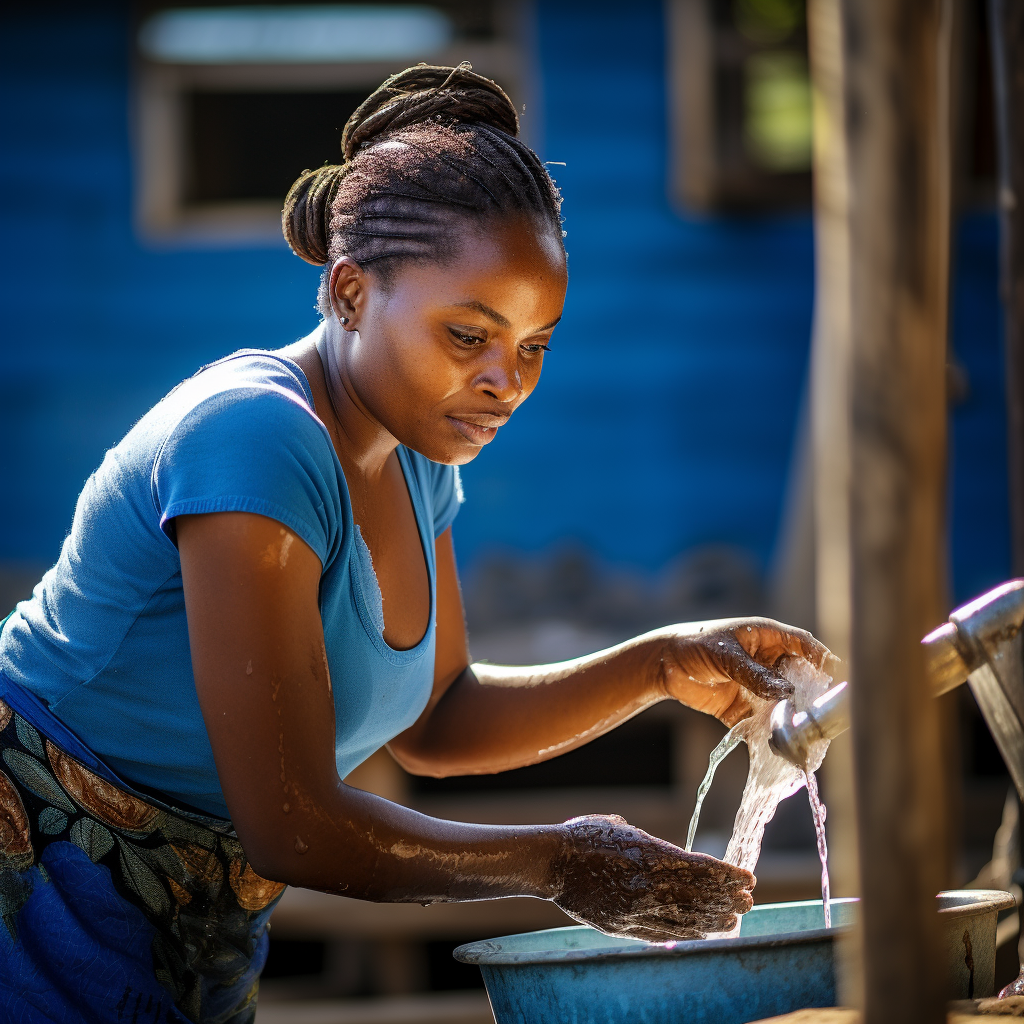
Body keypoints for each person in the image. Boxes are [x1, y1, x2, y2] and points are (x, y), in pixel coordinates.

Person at [0, 64, 827, 1023]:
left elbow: (437, 719)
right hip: (38, 893)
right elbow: (295, 829)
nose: (504, 382)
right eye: (468, 333)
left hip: (184, 925)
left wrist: (662, 663)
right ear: (350, 293)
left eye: (533, 346)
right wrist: (557, 862)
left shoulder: (417, 452)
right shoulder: (254, 440)